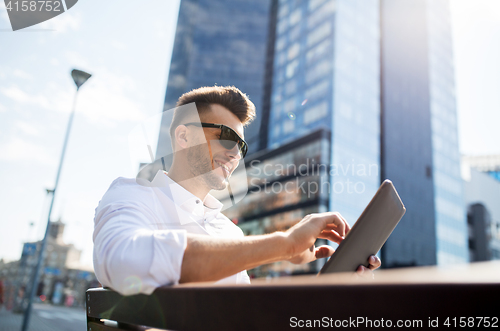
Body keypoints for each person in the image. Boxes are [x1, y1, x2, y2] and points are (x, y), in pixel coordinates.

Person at [92, 86, 381, 295]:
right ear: (183, 136)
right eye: (227, 138)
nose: (235, 155)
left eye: (241, 146)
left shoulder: (227, 231)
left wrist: (338, 291)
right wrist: (286, 245)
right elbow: (124, 260)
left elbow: (248, 314)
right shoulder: (132, 196)